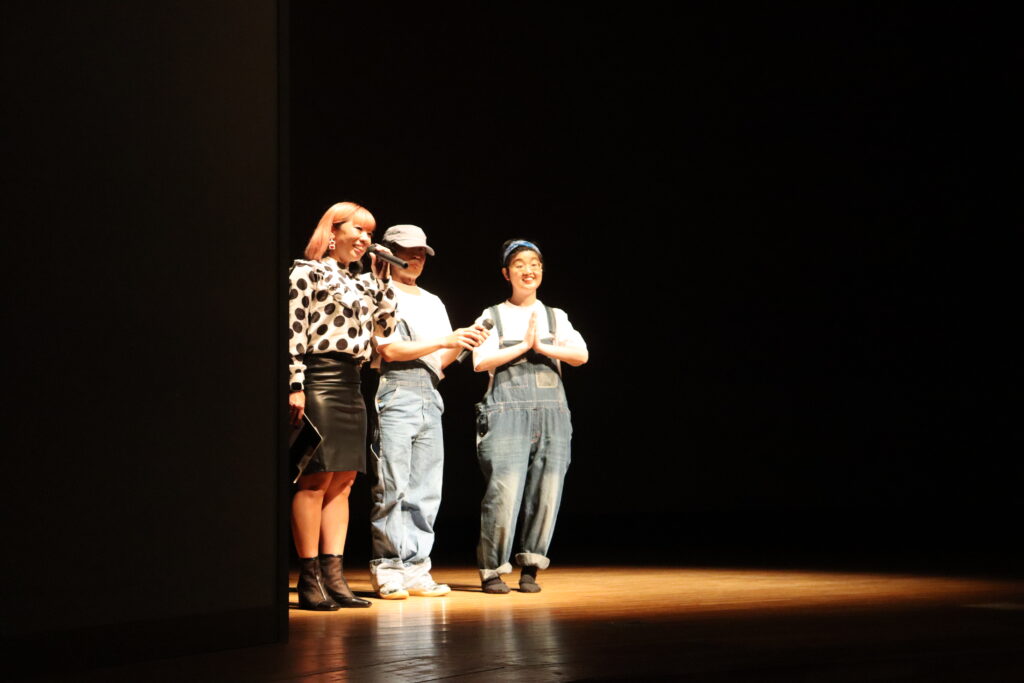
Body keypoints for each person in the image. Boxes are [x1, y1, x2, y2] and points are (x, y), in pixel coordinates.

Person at [369, 225, 489, 599]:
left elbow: (439, 359)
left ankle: (416, 567)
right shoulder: (380, 293)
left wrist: (465, 340)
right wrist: (444, 339)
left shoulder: (433, 301)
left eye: (422, 252)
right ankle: (388, 568)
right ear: (388, 252)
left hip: (429, 392)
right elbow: (388, 350)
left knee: (425, 488)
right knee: (392, 485)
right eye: (409, 251)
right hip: (396, 389)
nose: (417, 257)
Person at [287, 201, 397, 610]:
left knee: (344, 482)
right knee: (315, 479)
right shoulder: (306, 271)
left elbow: (385, 330)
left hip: (352, 382)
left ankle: (334, 576)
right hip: (318, 379)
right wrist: (294, 384)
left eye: (370, 233)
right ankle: (308, 577)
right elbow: (293, 330)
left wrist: (383, 281)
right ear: (332, 232)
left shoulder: (363, 282)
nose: (366, 239)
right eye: (359, 230)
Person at [472, 239, 588, 594]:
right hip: (506, 414)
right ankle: (492, 570)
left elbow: (581, 354)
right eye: (520, 264)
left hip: (552, 415)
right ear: (506, 273)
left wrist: (542, 346)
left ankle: (531, 567)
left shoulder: (556, 316)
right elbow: (479, 361)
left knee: (547, 492)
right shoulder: (492, 315)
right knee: (503, 493)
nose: (529, 270)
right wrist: (523, 347)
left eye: (535, 263)